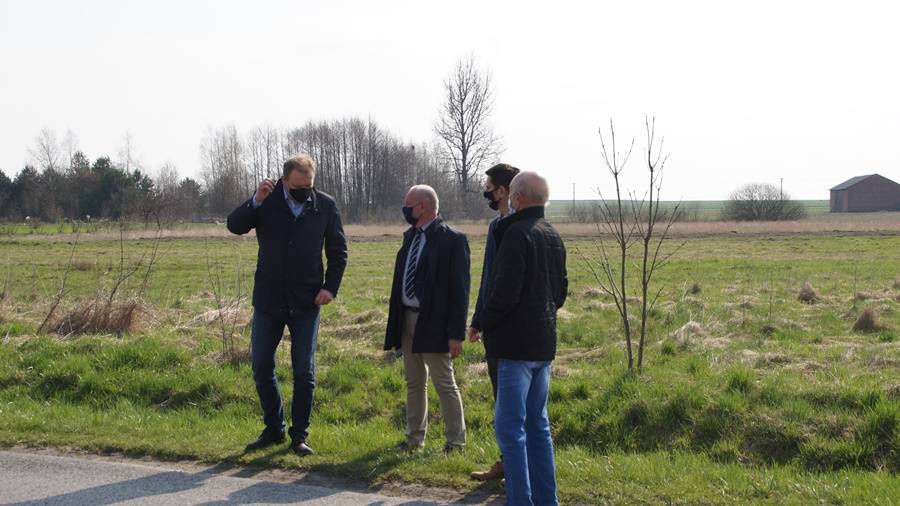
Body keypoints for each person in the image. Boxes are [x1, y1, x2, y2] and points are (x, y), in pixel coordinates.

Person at [226, 154, 347, 457]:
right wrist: (255, 200)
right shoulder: (266, 202)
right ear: (284, 181)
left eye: (309, 186)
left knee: (304, 371)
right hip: (269, 300)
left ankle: (299, 435)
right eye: (297, 186)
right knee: (261, 365)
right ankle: (274, 428)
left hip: (307, 301)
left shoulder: (325, 206)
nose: (304, 191)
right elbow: (235, 225)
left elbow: (338, 251)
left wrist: (330, 287)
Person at [481, 171, 567, 505]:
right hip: (544, 344)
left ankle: (520, 500)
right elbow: (560, 293)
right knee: (538, 426)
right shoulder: (552, 233)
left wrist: (484, 323)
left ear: (517, 197)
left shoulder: (515, 234)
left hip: (514, 346)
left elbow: (504, 293)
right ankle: (547, 500)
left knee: (511, 429)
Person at [384, 185, 470, 454]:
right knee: (414, 383)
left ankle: (455, 443)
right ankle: (414, 440)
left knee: (444, 384)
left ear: (423, 206)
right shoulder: (410, 237)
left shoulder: (452, 240)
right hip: (407, 319)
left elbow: (460, 291)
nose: (405, 210)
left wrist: (456, 333)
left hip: (435, 323)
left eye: (408, 205)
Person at [468, 163, 519, 482]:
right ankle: (506, 462)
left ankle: (518, 470)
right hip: (493, 327)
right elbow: (488, 276)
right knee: (501, 399)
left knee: (517, 405)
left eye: (488, 187)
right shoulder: (494, 226)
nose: (485, 192)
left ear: (502, 191)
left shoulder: (520, 226)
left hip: (514, 328)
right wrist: (477, 319)